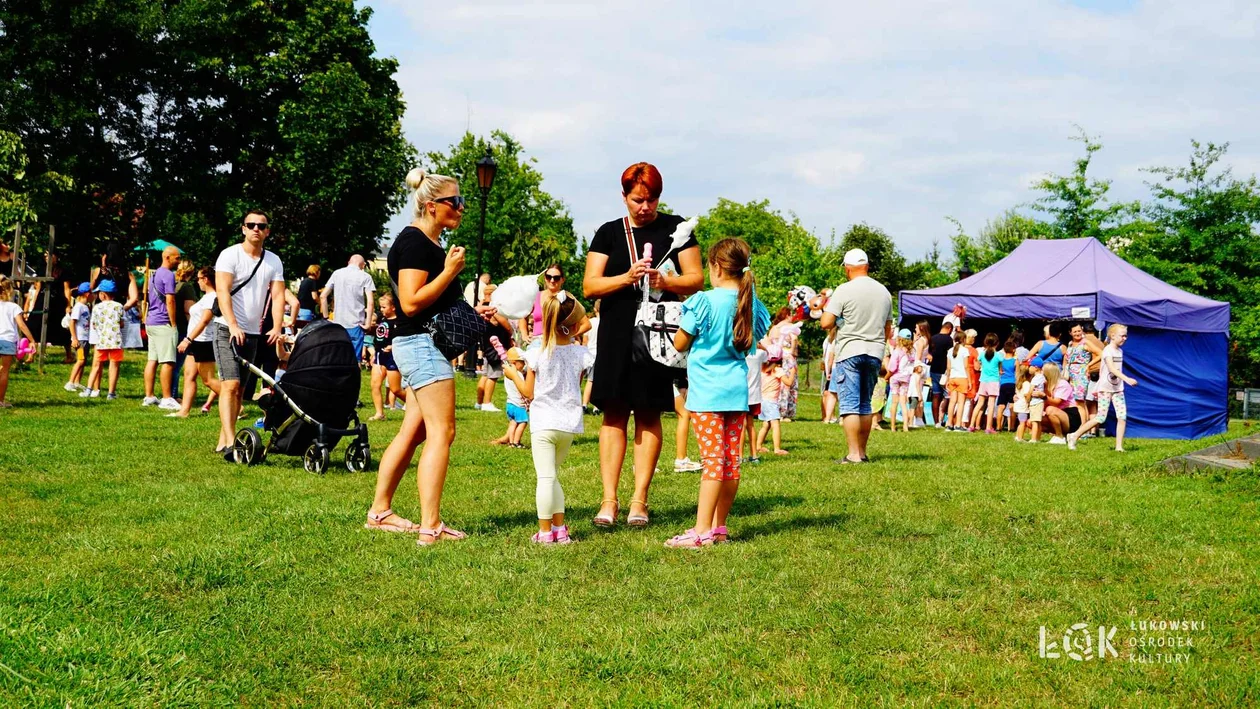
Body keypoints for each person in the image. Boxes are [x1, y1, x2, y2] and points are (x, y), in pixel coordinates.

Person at [367, 167, 496, 545]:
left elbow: (431, 300)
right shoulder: (416, 243)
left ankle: (380, 511)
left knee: (414, 431)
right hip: (422, 345)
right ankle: (431, 525)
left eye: (462, 201)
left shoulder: (430, 244)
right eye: (454, 202)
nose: (461, 207)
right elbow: (409, 302)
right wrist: (451, 270)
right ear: (429, 205)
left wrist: (470, 312)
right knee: (444, 431)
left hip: (421, 342)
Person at [582, 162, 702, 528]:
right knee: (614, 413)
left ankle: (640, 501)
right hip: (617, 331)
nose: (644, 207)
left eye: (651, 200)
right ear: (624, 197)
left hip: (657, 334)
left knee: (649, 412)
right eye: (637, 200)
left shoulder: (675, 228)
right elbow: (590, 286)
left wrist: (667, 280)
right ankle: (608, 501)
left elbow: (697, 279)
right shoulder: (608, 233)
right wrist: (627, 277)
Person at [665, 238, 769, 548]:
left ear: (717, 267)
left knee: (712, 462)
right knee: (730, 462)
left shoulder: (704, 302)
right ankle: (719, 527)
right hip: (737, 393)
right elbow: (754, 338)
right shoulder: (751, 303)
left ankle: (699, 533)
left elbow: (680, 344)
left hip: (707, 394)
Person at [499, 292, 594, 544]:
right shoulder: (580, 353)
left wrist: (512, 375)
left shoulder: (537, 352)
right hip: (569, 425)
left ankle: (544, 532)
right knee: (552, 476)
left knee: (545, 477)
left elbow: (528, 391)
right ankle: (560, 530)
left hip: (543, 423)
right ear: (572, 327)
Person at [213, 209, 286, 457]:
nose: (256, 229)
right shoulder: (229, 255)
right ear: (243, 228)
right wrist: (233, 324)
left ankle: (224, 439)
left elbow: (278, 296)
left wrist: (277, 326)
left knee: (240, 391)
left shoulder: (273, 261)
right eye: (251, 224)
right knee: (230, 385)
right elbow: (222, 291)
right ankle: (233, 443)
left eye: (261, 226)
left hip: (253, 333)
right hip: (227, 328)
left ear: (268, 231)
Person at [820, 248, 893, 464]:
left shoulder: (844, 290)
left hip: (850, 350)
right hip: (874, 352)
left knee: (850, 404)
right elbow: (887, 330)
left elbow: (825, 322)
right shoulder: (884, 292)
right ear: (868, 267)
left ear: (847, 268)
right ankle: (862, 452)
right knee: (865, 404)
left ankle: (852, 455)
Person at [1068, 324, 1137, 452]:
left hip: (1118, 388)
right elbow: (1111, 368)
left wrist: (1122, 382)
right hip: (1105, 388)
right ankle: (1074, 435)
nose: (1125, 338)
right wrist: (1127, 379)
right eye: (1122, 336)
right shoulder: (1107, 351)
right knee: (1101, 417)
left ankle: (1119, 447)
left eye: (1126, 336)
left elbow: (1116, 369)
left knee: (1122, 416)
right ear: (1113, 336)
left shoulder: (1119, 351)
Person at [171, 267, 221, 418]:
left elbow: (205, 321)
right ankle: (184, 411)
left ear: (206, 279)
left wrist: (188, 339)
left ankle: (236, 405)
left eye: (198, 279)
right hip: (195, 341)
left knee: (209, 380)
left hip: (204, 341)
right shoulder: (206, 297)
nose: (197, 282)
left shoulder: (213, 297)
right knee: (189, 375)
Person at [142, 245, 183, 410]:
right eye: (177, 258)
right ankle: (167, 398)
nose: (179, 262)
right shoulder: (168, 275)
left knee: (152, 360)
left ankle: (149, 396)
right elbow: (170, 300)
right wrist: (173, 323)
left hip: (151, 321)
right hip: (163, 322)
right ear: (167, 257)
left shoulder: (155, 273)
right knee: (168, 361)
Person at [321, 255, 376, 362]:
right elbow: (370, 302)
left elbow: (323, 296)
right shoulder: (365, 277)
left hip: (338, 324)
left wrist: (326, 317)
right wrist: (368, 323)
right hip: (356, 325)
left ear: (348, 262)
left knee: (337, 359)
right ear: (363, 265)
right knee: (355, 361)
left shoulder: (337, 274)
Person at [81, 279, 125, 400]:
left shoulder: (97, 307)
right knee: (114, 366)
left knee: (96, 366)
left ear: (103, 294)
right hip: (115, 341)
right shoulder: (119, 306)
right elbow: (122, 324)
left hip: (101, 341)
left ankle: (89, 389)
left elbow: (94, 325)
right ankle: (111, 393)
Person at [0, 277, 38, 408]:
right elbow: (21, 325)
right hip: (8, 340)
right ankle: (1, 401)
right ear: (10, 291)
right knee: (4, 371)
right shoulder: (14, 307)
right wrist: (32, 340)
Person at [368, 293, 404, 421]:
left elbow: (404, 338)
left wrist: (393, 346)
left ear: (393, 307)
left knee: (395, 389)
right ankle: (379, 413)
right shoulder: (381, 319)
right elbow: (378, 338)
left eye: (384, 307)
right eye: (380, 307)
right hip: (379, 355)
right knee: (375, 384)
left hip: (393, 356)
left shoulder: (400, 321)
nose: (381, 310)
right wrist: (373, 353)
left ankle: (415, 405)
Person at [1065, 323, 1102, 429]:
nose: (1077, 333)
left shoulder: (1085, 342)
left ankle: (1083, 429)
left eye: (1079, 331)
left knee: (1080, 402)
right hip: (1072, 375)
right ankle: (1082, 428)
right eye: (1075, 331)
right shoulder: (1070, 344)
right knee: (1077, 402)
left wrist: (1088, 365)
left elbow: (1100, 353)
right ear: (1070, 333)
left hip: (1081, 375)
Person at [755, 356, 792, 456]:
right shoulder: (777, 370)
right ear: (779, 363)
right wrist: (793, 372)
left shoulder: (763, 369)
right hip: (771, 402)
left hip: (762, 401)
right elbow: (789, 383)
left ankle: (758, 446)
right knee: (776, 424)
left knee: (766, 425)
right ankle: (777, 449)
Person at [493, 348, 530, 448]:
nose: (524, 365)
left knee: (513, 423)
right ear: (514, 362)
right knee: (523, 423)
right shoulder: (517, 375)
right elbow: (523, 389)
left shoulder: (507, 373)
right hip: (519, 405)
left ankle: (511, 442)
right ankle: (516, 442)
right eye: (522, 362)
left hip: (510, 403)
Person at [970, 333, 1002, 434]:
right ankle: (988, 427)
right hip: (993, 381)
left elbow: (978, 364)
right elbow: (1000, 369)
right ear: (997, 343)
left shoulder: (982, 354)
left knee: (979, 403)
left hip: (983, 380)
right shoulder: (998, 355)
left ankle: (971, 425)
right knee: (991, 404)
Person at [64, 282, 93, 392]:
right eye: (92, 293)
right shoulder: (78, 307)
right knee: (80, 360)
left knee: (83, 361)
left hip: (85, 338)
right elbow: (72, 323)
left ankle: (77, 382)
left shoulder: (85, 307)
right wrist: (74, 338)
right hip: (79, 339)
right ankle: (70, 382)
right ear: (87, 294)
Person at [927, 321, 954, 427]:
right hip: (944, 371)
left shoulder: (932, 338)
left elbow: (930, 354)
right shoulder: (949, 340)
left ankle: (936, 422)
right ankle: (945, 418)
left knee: (936, 395)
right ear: (950, 329)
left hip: (933, 369)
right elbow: (950, 355)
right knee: (948, 396)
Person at [1041, 362, 1076, 444]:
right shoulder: (1046, 385)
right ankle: (1057, 435)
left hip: (1070, 415)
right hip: (1057, 413)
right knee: (1032, 421)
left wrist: (1044, 396)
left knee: (1050, 409)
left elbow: (1056, 402)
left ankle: (1059, 436)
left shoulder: (1063, 384)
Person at [887, 329, 913, 433]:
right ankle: (905, 426)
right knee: (903, 403)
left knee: (894, 403)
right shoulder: (912, 352)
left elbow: (892, 367)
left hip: (895, 378)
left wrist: (887, 376)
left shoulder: (897, 351)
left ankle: (893, 427)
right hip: (906, 379)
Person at [995, 337, 1019, 431]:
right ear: (1013, 350)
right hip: (1012, 384)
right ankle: (1012, 427)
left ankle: (998, 426)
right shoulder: (1015, 361)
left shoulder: (1001, 361)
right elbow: (1017, 374)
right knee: (1012, 405)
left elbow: (1000, 372)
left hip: (1003, 384)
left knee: (1001, 406)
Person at [581, 299, 600, 412]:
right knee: (599, 381)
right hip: (601, 354)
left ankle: (584, 404)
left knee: (590, 380)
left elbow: (585, 341)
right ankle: (597, 407)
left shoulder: (590, 322)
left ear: (595, 309)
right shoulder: (607, 322)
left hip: (590, 353)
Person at [911, 320, 931, 426]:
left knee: (916, 393)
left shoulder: (920, 342)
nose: (915, 329)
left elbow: (917, 357)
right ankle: (918, 418)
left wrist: (914, 368)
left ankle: (917, 419)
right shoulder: (925, 340)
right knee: (919, 392)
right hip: (923, 368)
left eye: (916, 327)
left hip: (917, 368)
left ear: (921, 328)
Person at [1026, 361, 1046, 443]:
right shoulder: (1042, 377)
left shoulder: (1035, 378)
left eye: (1030, 366)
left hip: (1035, 402)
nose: (1029, 368)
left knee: (1034, 421)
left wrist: (1027, 400)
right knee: (1038, 421)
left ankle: (1033, 439)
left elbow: (1030, 390)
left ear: (1036, 367)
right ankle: (1038, 438)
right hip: (1040, 402)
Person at [1011, 363, 1032, 443]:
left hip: (1018, 405)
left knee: (1021, 422)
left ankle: (1017, 436)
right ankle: (1020, 438)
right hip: (1023, 406)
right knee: (1022, 423)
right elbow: (1027, 395)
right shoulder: (1026, 384)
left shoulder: (1019, 383)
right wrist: (1029, 402)